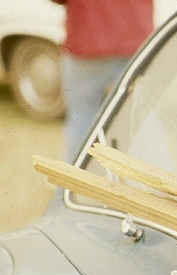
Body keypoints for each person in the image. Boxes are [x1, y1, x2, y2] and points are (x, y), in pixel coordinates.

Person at [52, 0, 154, 162]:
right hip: (136, 39)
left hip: (88, 40)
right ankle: (160, 184)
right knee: (144, 123)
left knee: (82, 124)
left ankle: (74, 184)